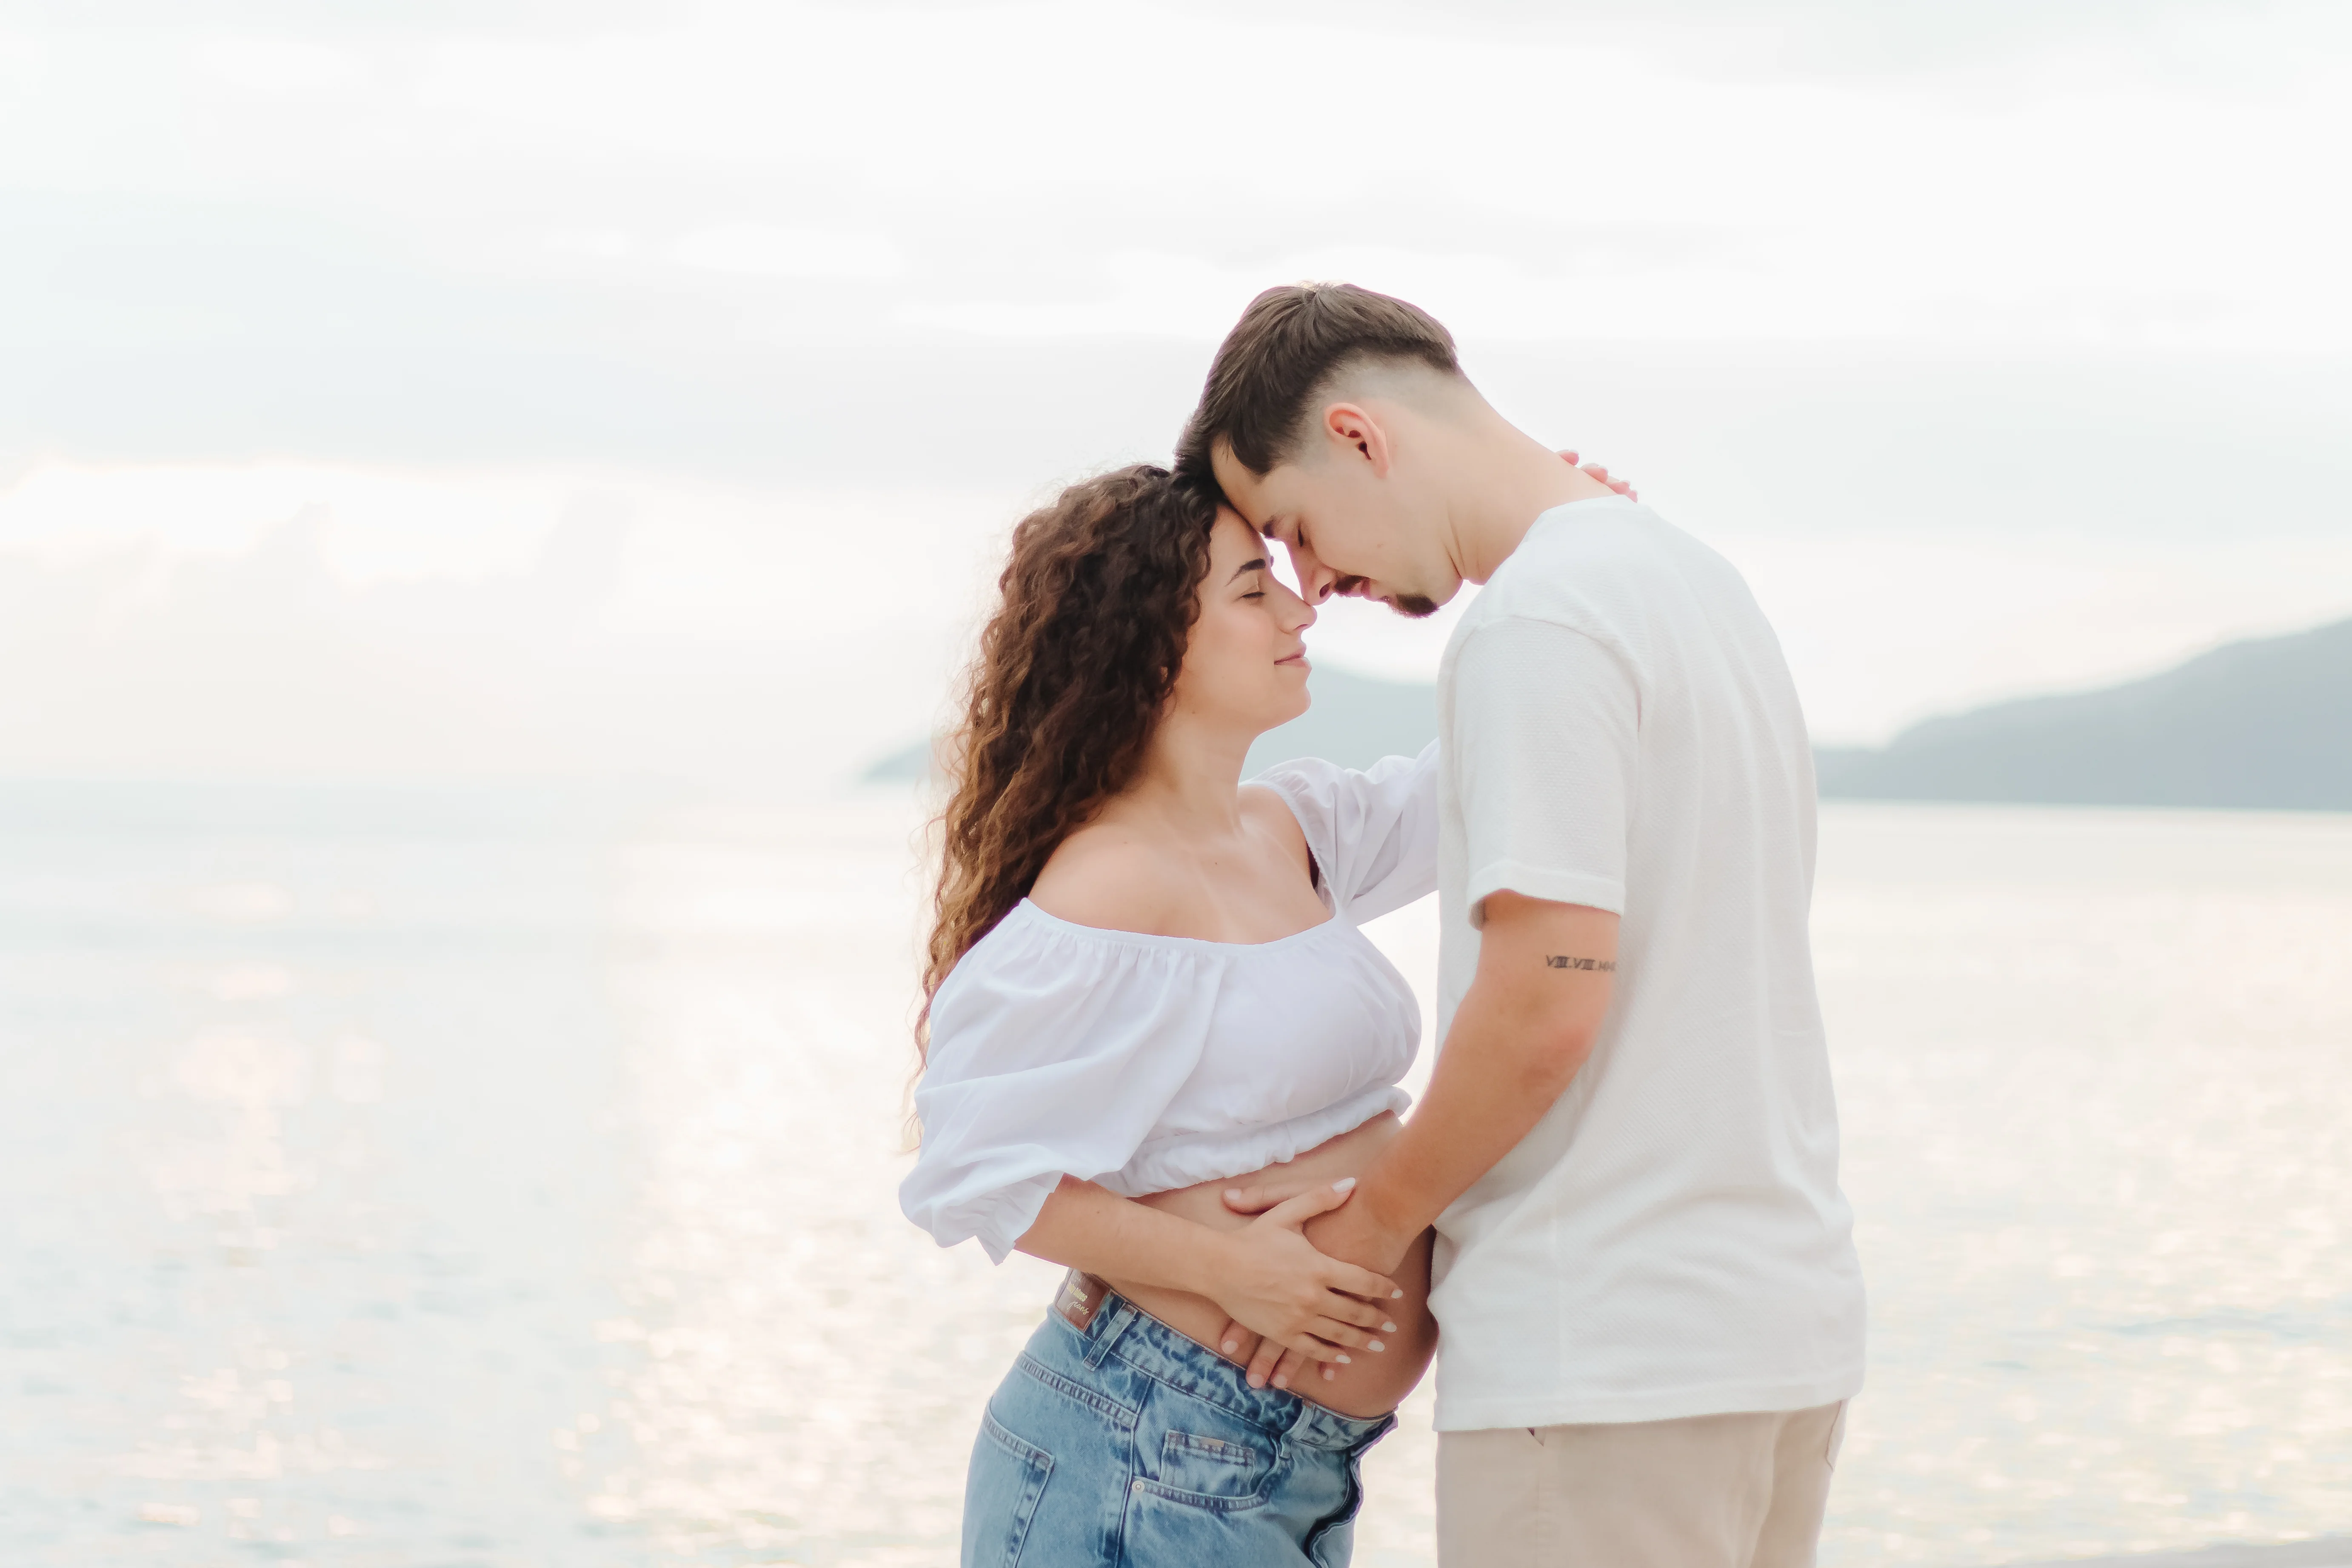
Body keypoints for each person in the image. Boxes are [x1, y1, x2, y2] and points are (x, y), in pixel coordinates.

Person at [1177, 283, 1868, 1568]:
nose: (1316, 584)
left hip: (1606, 1355)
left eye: (1298, 530)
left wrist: (1372, 1226)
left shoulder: (1539, 622)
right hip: (1779, 1335)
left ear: (1359, 436)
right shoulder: (1696, 581)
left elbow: (1547, 998)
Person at [898, 465, 1441, 1567]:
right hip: (1144, 1447)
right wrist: (1231, 1271)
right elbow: (972, 1170)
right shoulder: (1112, 883)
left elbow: (1491, 780)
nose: (1299, 611)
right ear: (1152, 648)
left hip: (1267, 1464)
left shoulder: (1288, 831)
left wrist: (1548, 543)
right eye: (1253, 589)